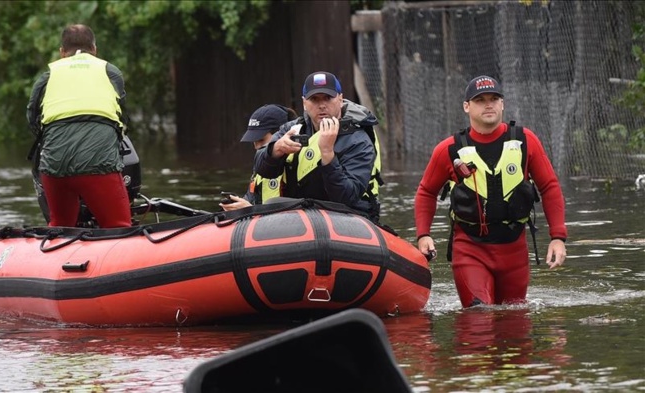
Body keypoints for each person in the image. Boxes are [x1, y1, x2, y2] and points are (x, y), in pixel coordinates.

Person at [414, 75, 567, 308]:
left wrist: (558, 237)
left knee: (515, 326)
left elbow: (550, 187)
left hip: (514, 250)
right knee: (479, 320)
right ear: (467, 106)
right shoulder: (449, 149)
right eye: (480, 100)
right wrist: (423, 234)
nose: (488, 104)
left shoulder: (526, 141)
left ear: (502, 104)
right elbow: (426, 192)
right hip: (470, 250)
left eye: (494, 98)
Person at [26, 24, 131, 228]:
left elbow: (32, 118)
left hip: (54, 165)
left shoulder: (48, 74)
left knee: (60, 225)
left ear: (62, 52)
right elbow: (122, 115)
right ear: (94, 49)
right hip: (99, 163)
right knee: (119, 226)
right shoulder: (110, 71)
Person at [253, 71, 383, 222]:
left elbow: (347, 197)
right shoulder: (292, 129)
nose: (322, 105)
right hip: (301, 215)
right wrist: (276, 149)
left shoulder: (358, 140)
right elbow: (260, 167)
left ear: (340, 99)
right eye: (314, 99)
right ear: (304, 103)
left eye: (328, 98)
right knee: (272, 205)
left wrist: (328, 154)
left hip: (348, 217)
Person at [220, 104, 297, 211]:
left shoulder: (298, 165)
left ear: (280, 135)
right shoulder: (260, 167)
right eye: (254, 141)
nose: (257, 147)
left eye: (261, 140)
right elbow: (252, 200)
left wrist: (250, 210)